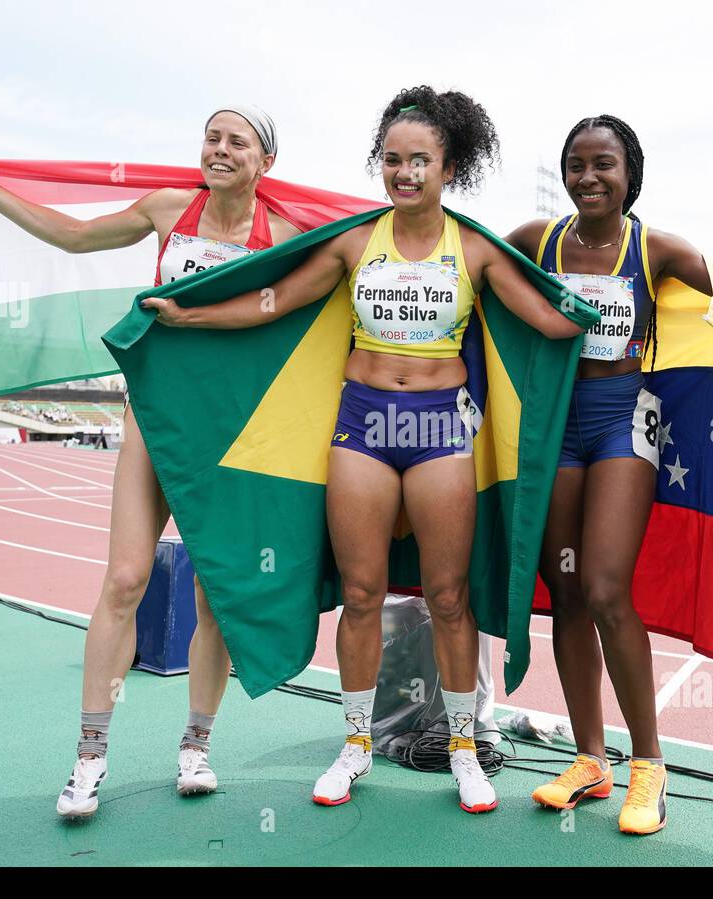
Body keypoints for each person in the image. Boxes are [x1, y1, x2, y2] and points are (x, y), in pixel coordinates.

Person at [147, 86, 585, 813]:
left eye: (421, 161)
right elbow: (274, 302)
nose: (405, 172)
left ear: (450, 168)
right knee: (359, 593)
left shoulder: (473, 247)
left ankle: (464, 749)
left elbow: (549, 316)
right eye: (392, 159)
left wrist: (653, 305)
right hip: (364, 425)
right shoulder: (356, 240)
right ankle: (354, 747)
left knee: (448, 597)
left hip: (441, 428)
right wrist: (190, 314)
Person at [0, 106, 302, 819]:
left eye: (236, 142)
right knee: (127, 579)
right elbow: (73, 237)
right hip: (153, 416)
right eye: (211, 137)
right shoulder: (169, 208)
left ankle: (196, 747)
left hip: (230, 433)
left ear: (265, 161)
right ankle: (88, 760)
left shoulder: (285, 234)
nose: (218, 149)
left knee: (214, 597)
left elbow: (307, 302)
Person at [503, 115, 711, 836]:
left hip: (625, 420)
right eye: (575, 164)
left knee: (604, 587)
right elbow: (484, 275)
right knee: (564, 589)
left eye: (604, 165)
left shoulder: (660, 250)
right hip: (556, 426)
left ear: (631, 173)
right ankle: (591, 759)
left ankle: (650, 764)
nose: (588, 177)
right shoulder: (539, 241)